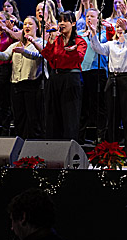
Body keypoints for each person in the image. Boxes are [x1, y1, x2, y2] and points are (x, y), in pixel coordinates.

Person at [88, 16, 127, 161]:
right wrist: (93, 34)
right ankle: (112, 153)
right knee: (112, 118)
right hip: (112, 80)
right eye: (117, 27)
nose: (119, 30)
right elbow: (98, 48)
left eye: (122, 27)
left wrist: (126, 31)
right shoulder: (111, 44)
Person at [30, 10, 87, 141]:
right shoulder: (56, 40)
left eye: (65, 21)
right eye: (60, 21)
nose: (61, 24)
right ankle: (53, 147)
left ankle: (69, 147)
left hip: (71, 79)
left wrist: (72, 51)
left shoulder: (79, 41)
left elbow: (79, 58)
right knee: (52, 114)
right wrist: (49, 41)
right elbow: (48, 55)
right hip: (55, 78)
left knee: (70, 115)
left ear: (73, 23)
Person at [0, 16, 44, 140]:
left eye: (30, 24)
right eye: (25, 24)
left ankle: (33, 146)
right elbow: (5, 56)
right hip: (16, 85)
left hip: (32, 84)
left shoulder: (40, 42)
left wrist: (24, 51)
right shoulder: (16, 44)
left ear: (37, 27)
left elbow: (38, 56)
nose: (27, 26)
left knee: (33, 118)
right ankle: (20, 144)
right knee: (19, 117)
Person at [78, 8, 109, 145]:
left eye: (92, 16)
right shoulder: (80, 34)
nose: (89, 18)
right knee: (83, 105)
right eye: (87, 16)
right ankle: (80, 136)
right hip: (83, 71)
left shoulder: (103, 34)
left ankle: (100, 135)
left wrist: (92, 32)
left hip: (98, 72)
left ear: (98, 19)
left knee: (98, 105)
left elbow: (99, 46)